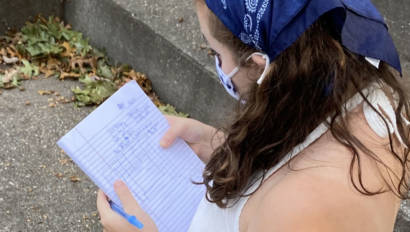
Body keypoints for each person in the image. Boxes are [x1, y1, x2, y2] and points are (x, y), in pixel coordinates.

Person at [96, 0, 410, 231]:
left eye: (216, 54)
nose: (219, 66)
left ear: (259, 64)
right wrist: (218, 143)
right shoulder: (371, 98)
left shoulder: (297, 206)